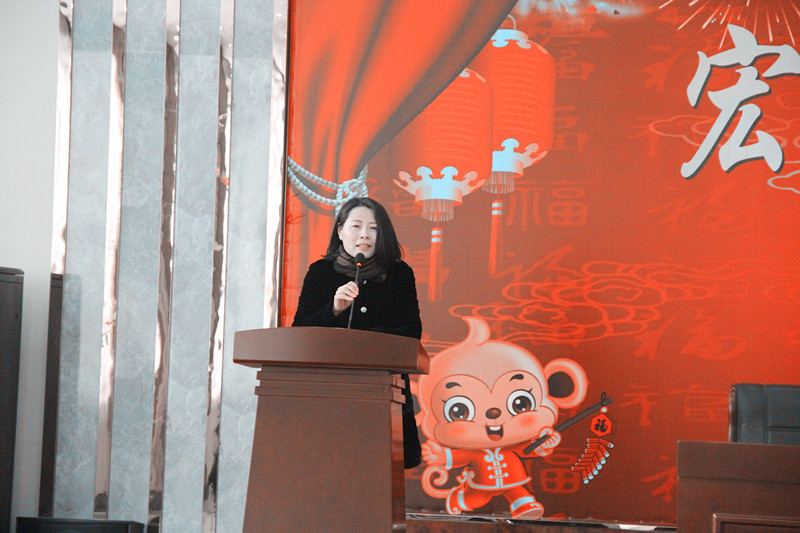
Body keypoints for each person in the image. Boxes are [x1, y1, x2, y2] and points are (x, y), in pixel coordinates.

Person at [292, 197, 423, 469]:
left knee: (379, 470)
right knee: (328, 467)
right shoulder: (320, 272)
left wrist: (365, 340)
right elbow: (300, 332)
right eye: (356, 226)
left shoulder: (399, 274)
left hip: (383, 392)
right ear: (340, 231)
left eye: (373, 228)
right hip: (329, 394)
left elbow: (412, 331)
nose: (364, 234)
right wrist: (334, 310)